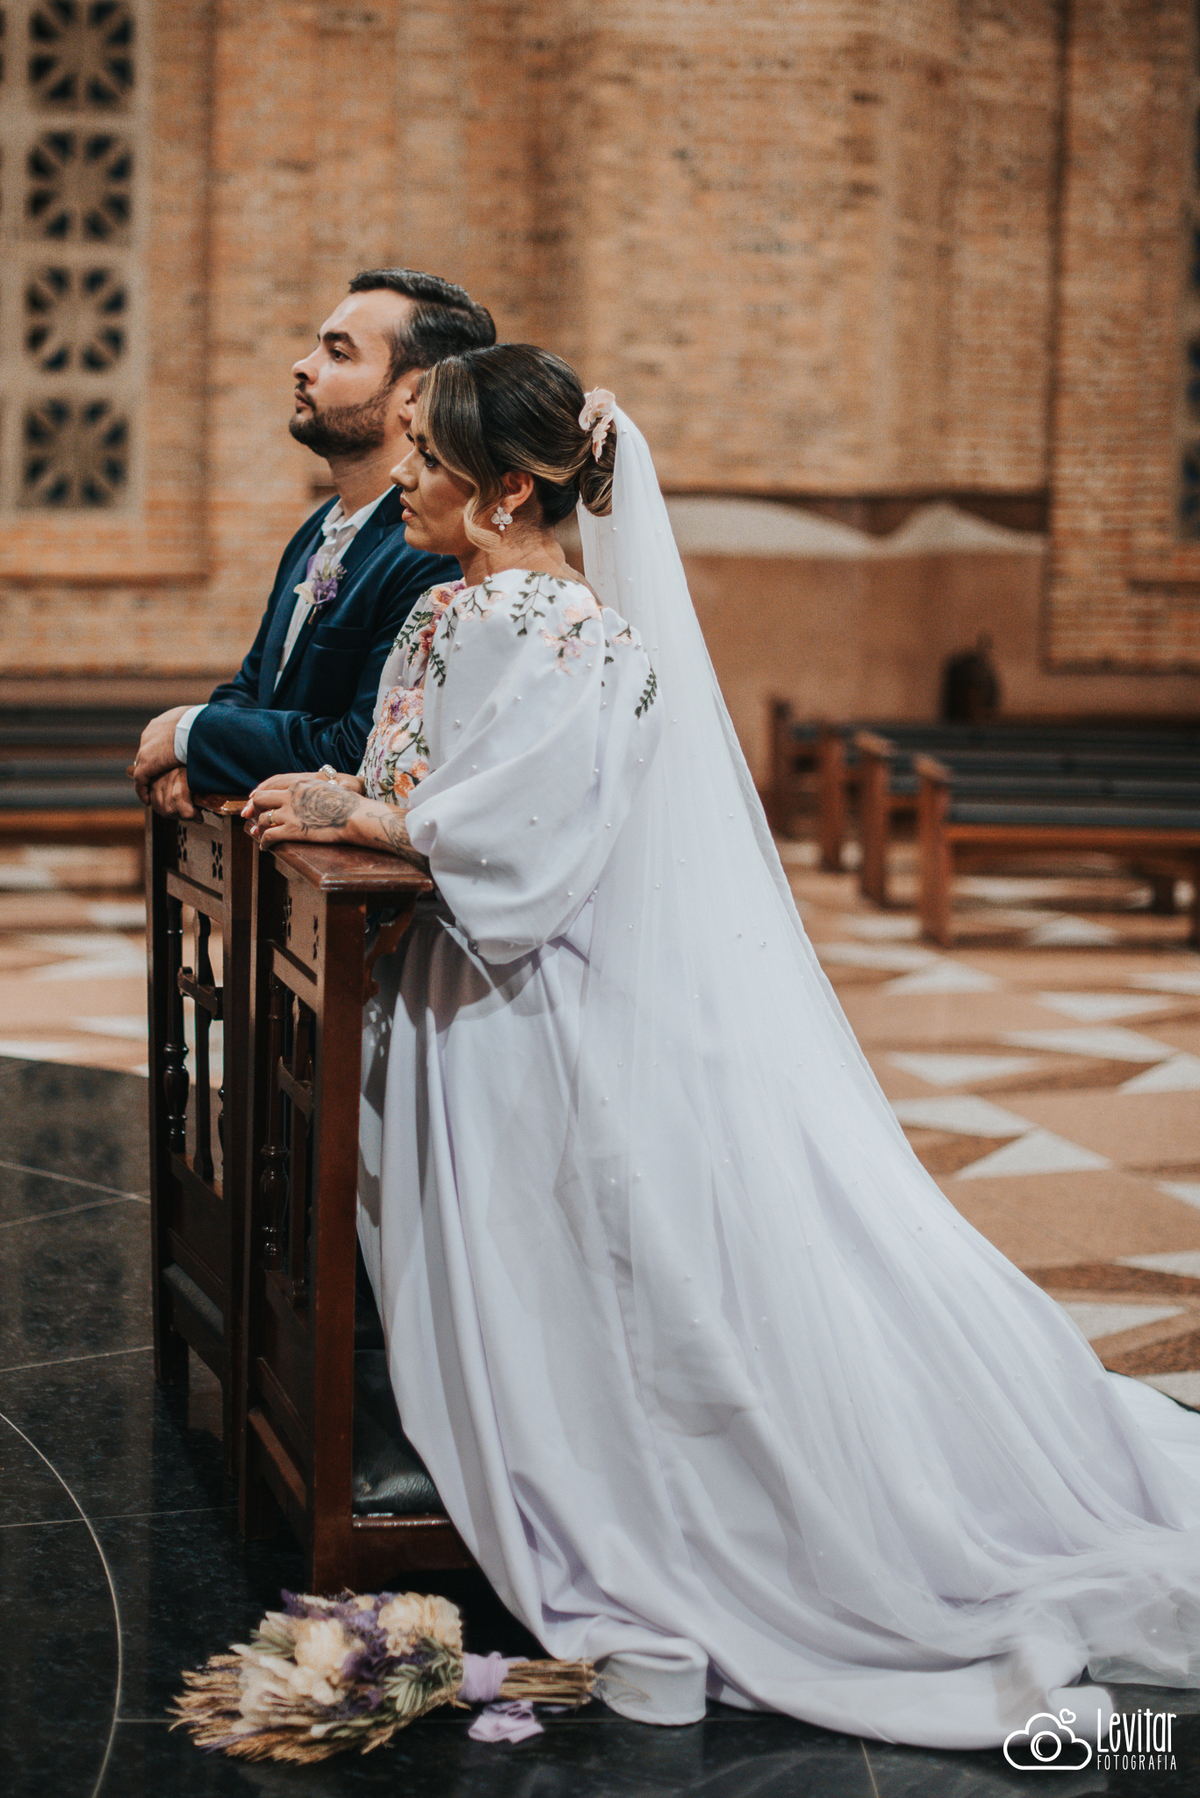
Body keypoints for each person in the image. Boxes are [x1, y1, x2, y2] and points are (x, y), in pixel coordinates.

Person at [244, 345, 1200, 1751]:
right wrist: (359, 793)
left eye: (432, 461)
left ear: (508, 492)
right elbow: (436, 780)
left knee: (589, 1274)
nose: (407, 485)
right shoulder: (481, 609)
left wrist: (368, 815)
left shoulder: (551, 625)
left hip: (525, 1006)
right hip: (477, 983)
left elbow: (521, 835)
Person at [129, 269, 495, 817]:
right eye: (317, 347)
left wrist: (191, 732)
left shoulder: (431, 553)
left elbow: (362, 749)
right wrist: (197, 759)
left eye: (339, 354)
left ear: (414, 397)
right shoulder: (319, 526)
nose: (303, 366)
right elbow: (255, 685)